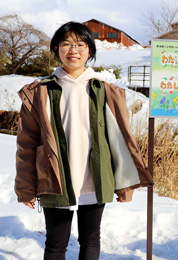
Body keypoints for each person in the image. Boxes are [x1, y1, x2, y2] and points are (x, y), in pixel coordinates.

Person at [14, 21, 153, 260]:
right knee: (56, 243)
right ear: (56, 49)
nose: (73, 50)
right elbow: (26, 144)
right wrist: (26, 189)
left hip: (95, 177)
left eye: (80, 44)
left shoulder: (106, 91)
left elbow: (120, 141)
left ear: (90, 51)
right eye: (66, 44)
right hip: (55, 177)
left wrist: (123, 184)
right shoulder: (39, 92)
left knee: (90, 239)